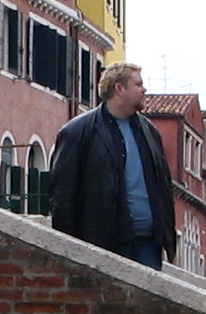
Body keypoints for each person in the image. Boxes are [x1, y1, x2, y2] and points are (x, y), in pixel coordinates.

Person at [49, 62, 177, 269]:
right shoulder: (77, 132)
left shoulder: (149, 131)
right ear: (119, 88)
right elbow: (62, 194)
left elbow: (163, 185)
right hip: (103, 242)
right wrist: (69, 249)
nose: (144, 90)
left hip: (149, 242)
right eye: (138, 84)